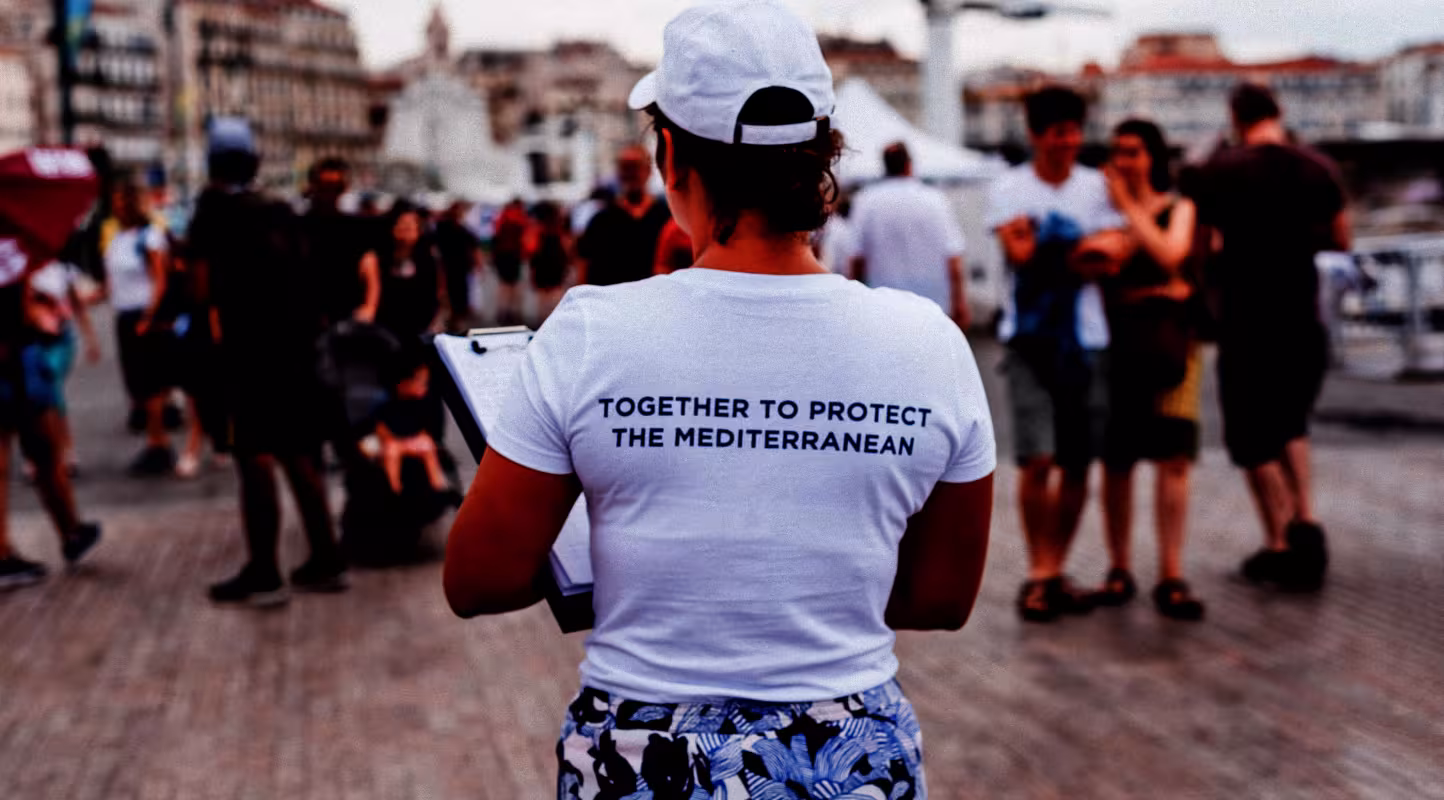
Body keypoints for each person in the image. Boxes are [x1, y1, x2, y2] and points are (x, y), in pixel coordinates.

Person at [444, 2, 995, 794]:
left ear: (671, 154)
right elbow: (942, 597)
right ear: (823, 157)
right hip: (848, 756)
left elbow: (479, 578)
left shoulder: (593, 332)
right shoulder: (928, 342)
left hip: (646, 755)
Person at [1190, 83, 1349, 592]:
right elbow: (1342, 237)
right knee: (1290, 424)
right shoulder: (1318, 168)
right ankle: (1302, 522)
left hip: (1245, 317)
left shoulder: (1221, 171)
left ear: (1235, 117)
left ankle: (1288, 540)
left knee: (1250, 435)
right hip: (1302, 316)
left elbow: (1202, 243)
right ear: (1279, 112)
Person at [985, 86, 1135, 623]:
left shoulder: (1097, 186)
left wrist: (1054, 243)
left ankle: (1053, 569)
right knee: (1037, 459)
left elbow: (1117, 256)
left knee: (1076, 462)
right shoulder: (1007, 187)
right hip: (1028, 339)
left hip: (1088, 337)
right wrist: (1082, 250)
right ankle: (1039, 569)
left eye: (1074, 130)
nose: (1068, 141)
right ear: (1035, 135)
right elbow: (1019, 255)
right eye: (1058, 132)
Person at [186, 118, 347, 605]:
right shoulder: (280, 211)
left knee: (254, 460)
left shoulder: (213, 213)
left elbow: (200, 290)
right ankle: (326, 558)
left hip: (246, 358)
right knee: (298, 455)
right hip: (294, 354)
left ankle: (264, 572)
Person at [1094, 119, 1206, 620]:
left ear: (1153, 157)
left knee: (1174, 458)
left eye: (1134, 152)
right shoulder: (1105, 209)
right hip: (1120, 345)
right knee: (1118, 461)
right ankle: (1119, 565)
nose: (1124, 161)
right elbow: (1104, 265)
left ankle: (1171, 570)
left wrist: (1130, 211)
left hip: (1172, 345)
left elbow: (1170, 253)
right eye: (1118, 151)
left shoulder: (1178, 207)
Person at [0, 234, 102, 589]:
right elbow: (24, 304)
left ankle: (67, 532)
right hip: (17, 360)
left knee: (27, 452)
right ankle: (68, 531)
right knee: (43, 449)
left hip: (16, 358)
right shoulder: (16, 247)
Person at [102, 181, 195, 477]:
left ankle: (159, 442)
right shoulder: (117, 239)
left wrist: (149, 315)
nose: (116, 207)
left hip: (145, 317)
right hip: (124, 316)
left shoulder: (150, 237)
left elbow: (159, 279)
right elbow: (112, 283)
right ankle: (158, 436)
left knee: (152, 382)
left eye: (121, 201)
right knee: (138, 384)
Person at [850, 142, 971, 328]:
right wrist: (960, 302)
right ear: (909, 165)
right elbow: (953, 259)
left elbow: (857, 260)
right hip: (933, 307)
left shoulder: (866, 200)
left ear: (885, 166)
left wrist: (854, 304)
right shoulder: (935, 199)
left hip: (883, 308)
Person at [21, 257, 101, 475]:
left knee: (51, 389)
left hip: (59, 341)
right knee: (30, 396)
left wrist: (91, 340)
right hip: (30, 341)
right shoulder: (21, 270)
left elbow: (78, 307)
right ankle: (38, 452)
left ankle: (66, 450)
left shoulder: (63, 270)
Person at [576, 145, 673, 286]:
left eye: (635, 166)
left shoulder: (666, 217)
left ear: (649, 171)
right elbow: (583, 266)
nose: (630, 173)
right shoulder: (600, 221)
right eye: (624, 167)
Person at [301, 157, 378, 328]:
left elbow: (369, 266)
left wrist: (369, 308)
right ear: (313, 185)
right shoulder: (298, 226)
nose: (330, 193)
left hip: (345, 317)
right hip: (306, 317)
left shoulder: (352, 227)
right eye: (324, 186)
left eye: (336, 187)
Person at [360, 202, 447, 344]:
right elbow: (372, 298)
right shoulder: (376, 259)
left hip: (419, 332)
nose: (405, 230)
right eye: (401, 224)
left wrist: (434, 326)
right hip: (384, 333)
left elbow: (438, 293)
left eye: (410, 226)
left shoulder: (428, 259)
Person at [435, 200, 481, 330]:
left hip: (455, 267)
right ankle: (452, 319)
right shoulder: (456, 228)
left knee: (453, 295)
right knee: (453, 295)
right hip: (453, 267)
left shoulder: (446, 227)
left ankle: (452, 319)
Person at [528, 201, 572, 321]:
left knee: (542, 300)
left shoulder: (536, 229)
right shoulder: (559, 229)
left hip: (541, 266)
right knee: (556, 299)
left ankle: (542, 324)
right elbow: (567, 248)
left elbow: (530, 249)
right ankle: (553, 324)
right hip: (556, 266)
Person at [489, 198, 530, 326]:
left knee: (503, 285)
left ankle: (502, 311)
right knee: (514, 286)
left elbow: (494, 237)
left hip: (501, 256)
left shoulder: (501, 217)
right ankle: (514, 312)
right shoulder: (520, 218)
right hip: (514, 256)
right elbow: (526, 238)